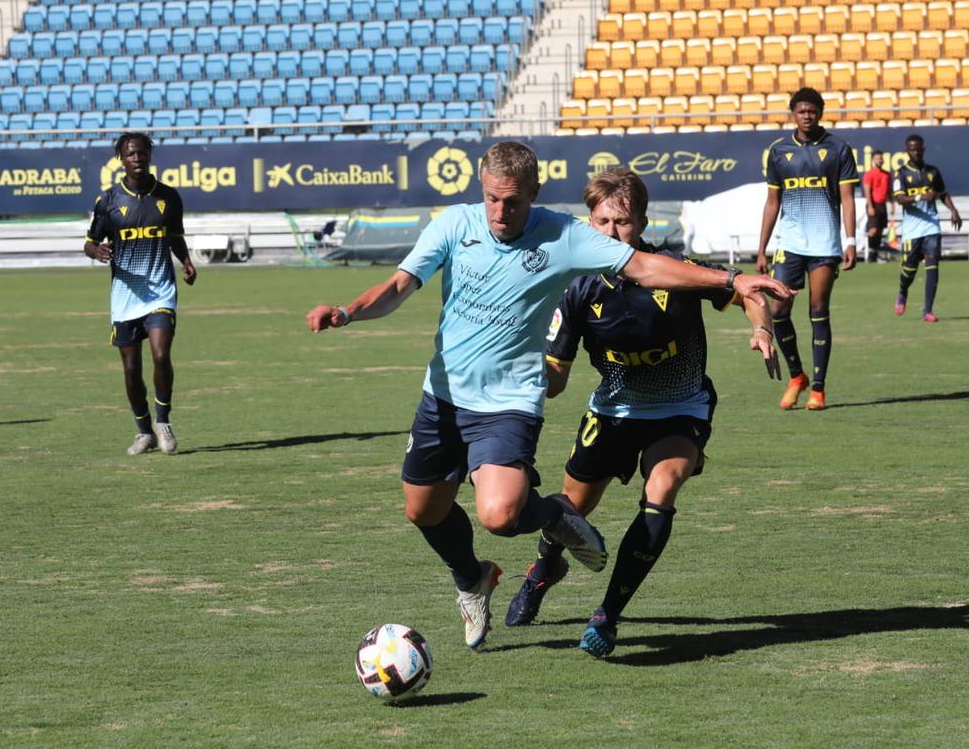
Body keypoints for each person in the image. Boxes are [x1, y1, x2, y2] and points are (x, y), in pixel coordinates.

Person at [306, 142, 793, 650]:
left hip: (512, 403)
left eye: (513, 201)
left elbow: (646, 268)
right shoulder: (453, 224)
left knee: (499, 515)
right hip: (444, 397)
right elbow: (399, 285)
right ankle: (473, 579)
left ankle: (559, 528)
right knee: (422, 511)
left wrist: (735, 279)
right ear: (481, 187)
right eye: (492, 199)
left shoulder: (565, 236)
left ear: (534, 193)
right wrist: (348, 311)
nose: (501, 211)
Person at [504, 169, 781, 658]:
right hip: (613, 411)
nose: (611, 232)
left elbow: (747, 293)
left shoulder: (675, 269)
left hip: (681, 407)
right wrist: (521, 376)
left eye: (623, 222)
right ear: (589, 222)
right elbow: (558, 376)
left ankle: (607, 616)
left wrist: (761, 329)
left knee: (662, 490)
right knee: (571, 511)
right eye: (602, 221)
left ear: (644, 222)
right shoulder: (574, 287)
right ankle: (544, 568)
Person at [84, 132, 197, 455]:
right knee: (131, 369)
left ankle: (163, 421)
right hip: (125, 297)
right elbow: (89, 242)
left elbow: (175, 236)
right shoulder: (107, 201)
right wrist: (96, 252)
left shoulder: (169, 197)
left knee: (161, 355)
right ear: (121, 158)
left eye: (141, 152)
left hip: (161, 292)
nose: (136, 158)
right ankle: (143, 430)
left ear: (150, 154)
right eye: (130, 153)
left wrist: (186, 262)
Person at [755, 87, 859, 412]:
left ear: (820, 112)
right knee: (779, 310)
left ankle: (818, 388)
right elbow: (772, 202)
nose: (807, 116)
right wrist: (762, 248)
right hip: (789, 244)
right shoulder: (778, 151)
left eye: (812, 111)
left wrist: (851, 240)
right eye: (802, 111)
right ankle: (796, 376)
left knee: (818, 310)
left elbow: (847, 199)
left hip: (825, 244)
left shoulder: (838, 149)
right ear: (793, 113)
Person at [892, 134, 962, 323]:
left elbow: (942, 193)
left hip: (931, 226)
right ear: (907, 151)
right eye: (911, 149)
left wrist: (953, 210)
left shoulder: (933, 172)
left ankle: (928, 310)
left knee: (933, 266)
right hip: (912, 230)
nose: (915, 152)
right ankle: (902, 292)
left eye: (918, 148)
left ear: (923, 149)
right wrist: (919, 197)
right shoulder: (900, 173)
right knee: (909, 270)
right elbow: (899, 199)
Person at [861, 152, 893, 262]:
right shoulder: (869, 174)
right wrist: (870, 206)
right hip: (873, 204)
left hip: (882, 205)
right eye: (877, 158)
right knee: (873, 230)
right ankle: (870, 252)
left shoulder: (887, 175)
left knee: (880, 230)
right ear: (873, 160)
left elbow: (889, 191)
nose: (879, 160)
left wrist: (892, 204)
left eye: (881, 158)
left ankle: (876, 253)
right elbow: (867, 191)